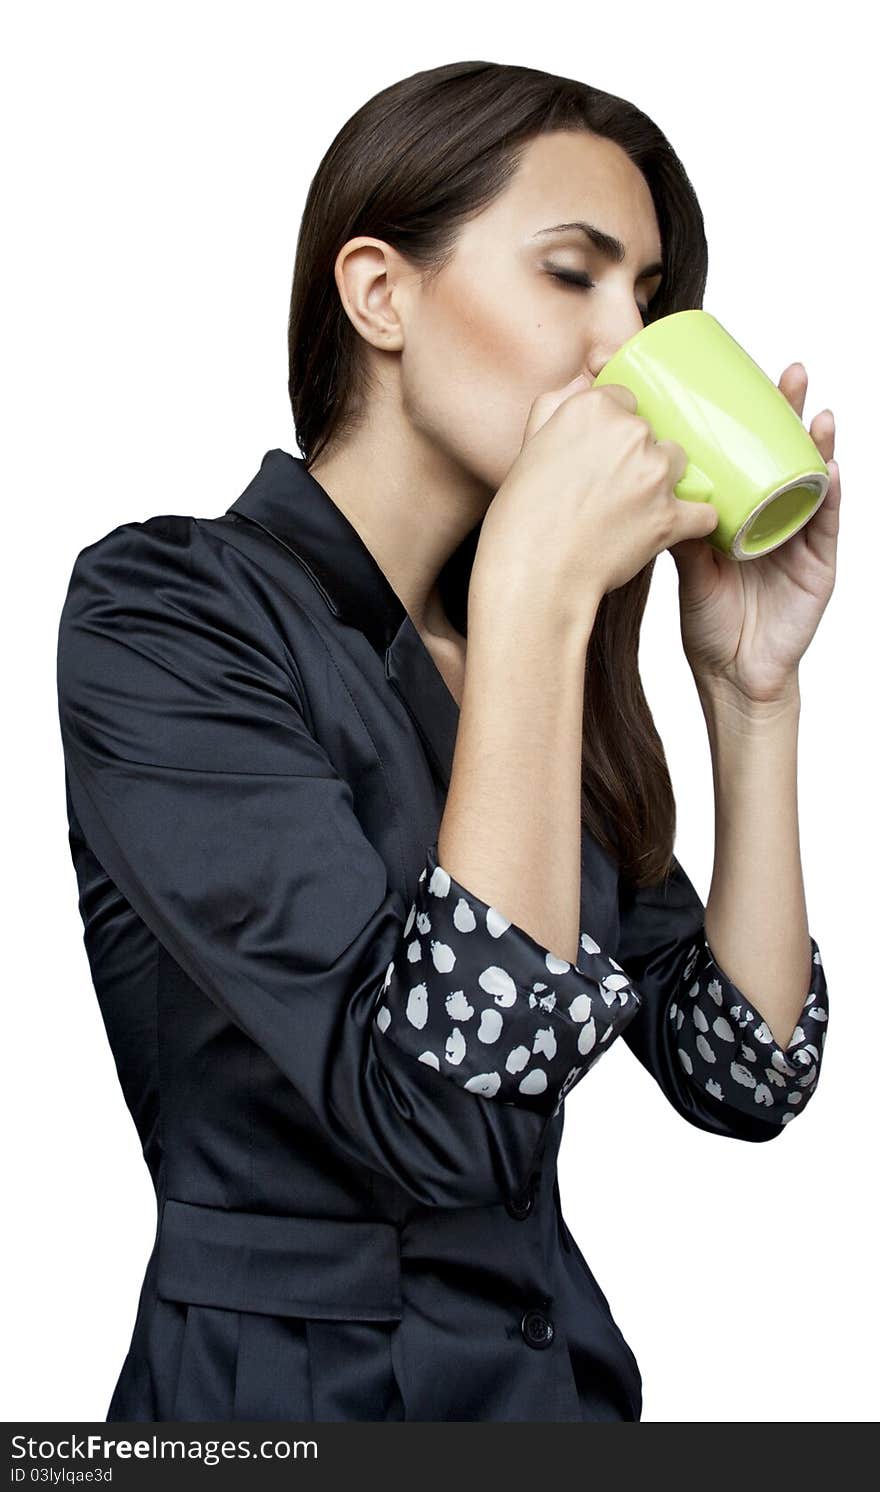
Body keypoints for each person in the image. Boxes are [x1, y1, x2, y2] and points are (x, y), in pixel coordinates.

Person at [55, 60, 837, 1423]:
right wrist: (532, 592)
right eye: (570, 276)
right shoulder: (169, 613)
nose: (623, 348)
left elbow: (745, 1072)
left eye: (648, 299)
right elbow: (446, 1120)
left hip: (552, 1403)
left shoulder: (538, 661)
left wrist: (750, 696)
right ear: (380, 295)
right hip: (277, 1414)